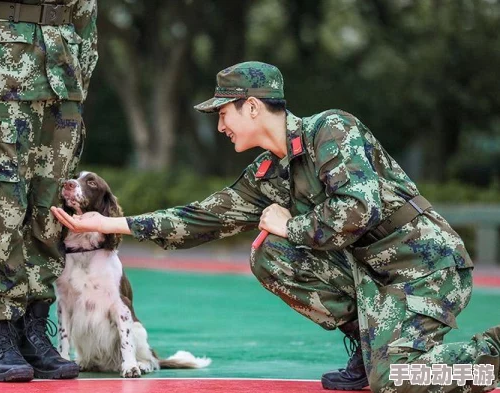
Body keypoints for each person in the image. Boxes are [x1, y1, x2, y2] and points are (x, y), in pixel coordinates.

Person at [51, 61, 500, 392]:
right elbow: (198, 218)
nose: (220, 125)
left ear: (251, 107)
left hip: (424, 270)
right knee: (269, 253)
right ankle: (366, 343)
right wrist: (108, 221)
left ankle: (492, 353)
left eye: (223, 113)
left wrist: (293, 224)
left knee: (401, 382)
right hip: (371, 277)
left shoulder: (332, 131)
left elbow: (355, 211)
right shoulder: (266, 175)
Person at [0, 0, 98, 382]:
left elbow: (86, 14)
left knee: (49, 212)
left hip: (62, 82)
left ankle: (33, 332)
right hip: (0, 80)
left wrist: (78, 82)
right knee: (2, 207)